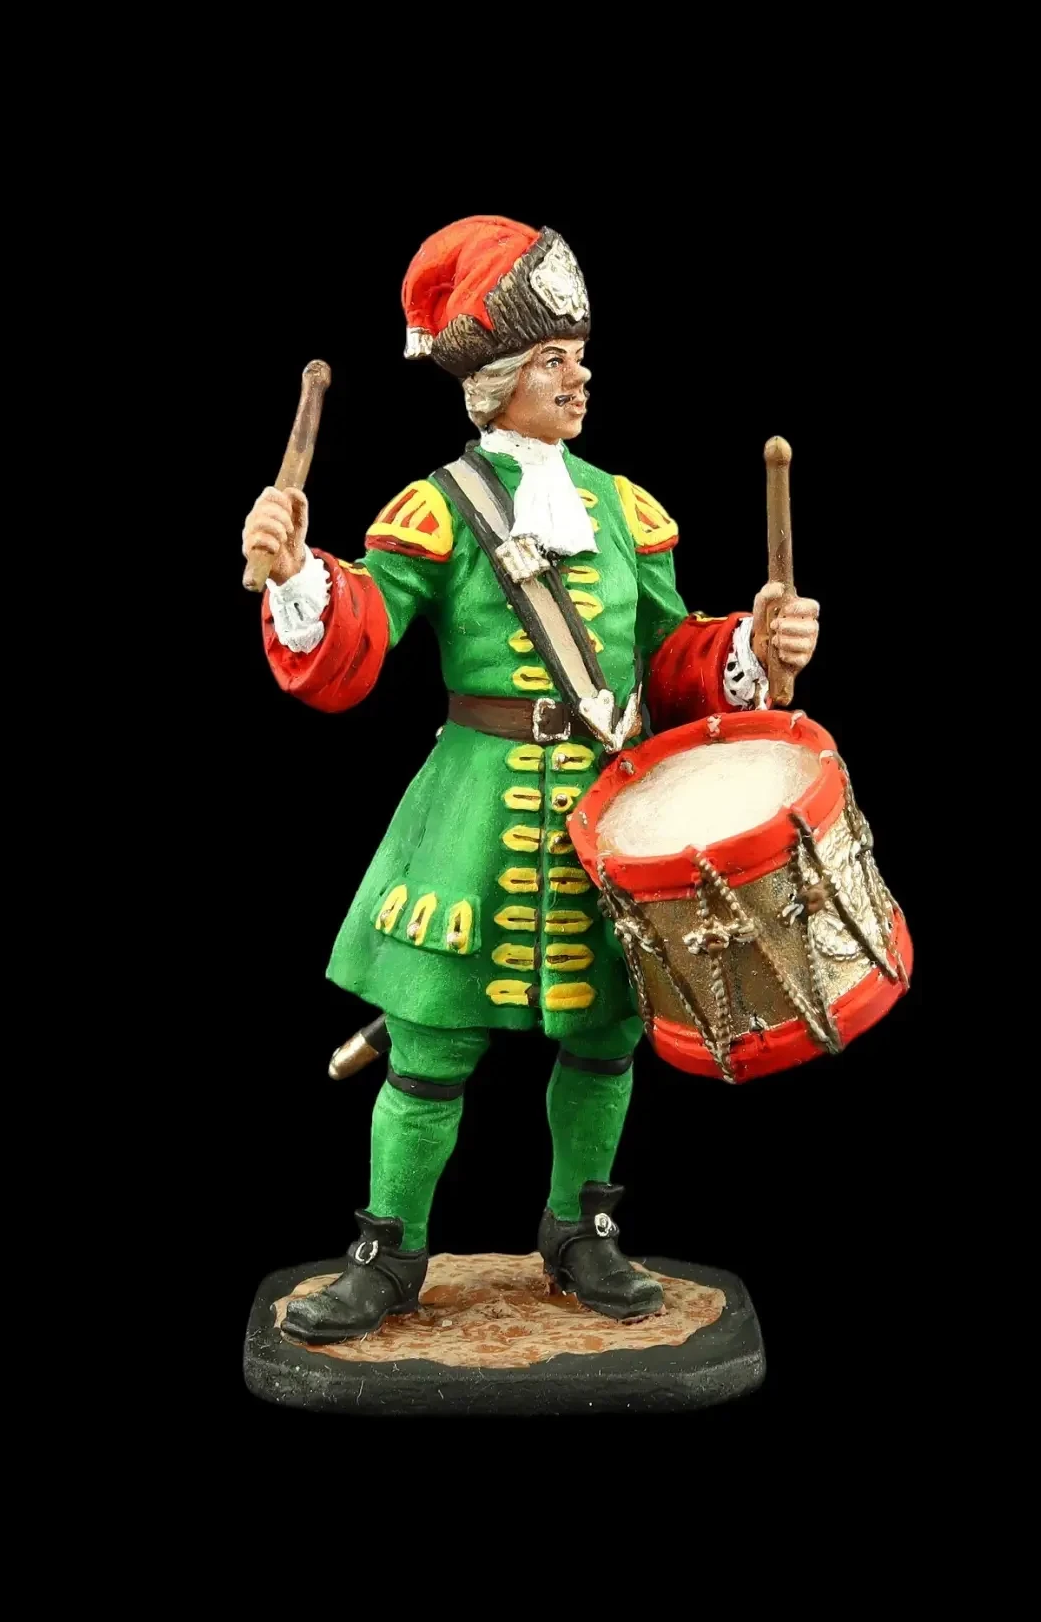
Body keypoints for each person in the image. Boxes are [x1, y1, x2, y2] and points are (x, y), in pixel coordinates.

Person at [241, 216, 819, 1341]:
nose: (578, 376)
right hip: (472, 812)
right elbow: (360, 634)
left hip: (604, 814)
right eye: (555, 358)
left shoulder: (624, 510)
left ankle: (580, 1230)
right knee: (429, 1046)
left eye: (579, 356)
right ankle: (388, 1253)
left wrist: (752, 644)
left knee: (604, 1035)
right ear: (500, 378)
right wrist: (300, 568)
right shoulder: (438, 507)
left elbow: (669, 658)